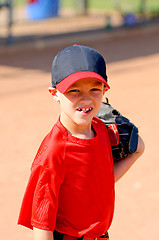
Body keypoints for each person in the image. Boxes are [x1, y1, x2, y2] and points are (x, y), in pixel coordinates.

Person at [18, 45, 145, 240]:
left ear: (105, 89)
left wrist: (137, 151)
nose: (86, 99)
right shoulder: (53, 152)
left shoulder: (101, 129)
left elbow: (99, 182)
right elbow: (41, 222)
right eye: (74, 90)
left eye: (94, 89)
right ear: (54, 93)